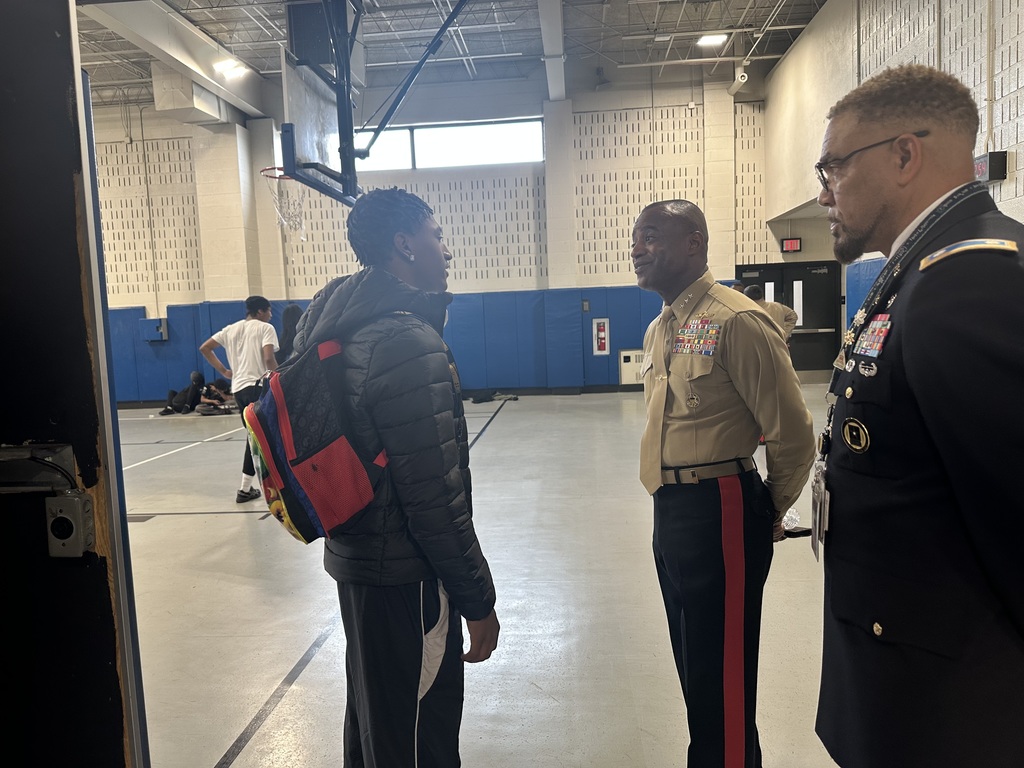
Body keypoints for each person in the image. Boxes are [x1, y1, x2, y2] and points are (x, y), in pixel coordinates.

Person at [813, 64, 1024, 768]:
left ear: (904, 155)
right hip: (909, 681)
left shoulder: (969, 280)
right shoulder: (920, 272)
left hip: (951, 707)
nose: (824, 194)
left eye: (835, 167)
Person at [290, 187, 499, 767]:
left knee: (375, 724)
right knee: (418, 739)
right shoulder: (406, 340)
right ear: (404, 244)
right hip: (407, 576)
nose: (447, 249)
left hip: (355, 561)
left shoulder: (334, 322)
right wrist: (477, 600)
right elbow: (434, 500)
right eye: (436, 234)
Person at [632, 199, 815, 768]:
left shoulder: (736, 320)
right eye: (636, 238)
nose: (637, 248)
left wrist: (767, 512)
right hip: (673, 509)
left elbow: (792, 434)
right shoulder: (661, 329)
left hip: (723, 504)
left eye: (652, 235)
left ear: (694, 242)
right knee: (697, 666)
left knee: (725, 670)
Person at [199, 296, 278, 503]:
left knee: (256, 436)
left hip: (239, 390)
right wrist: (281, 379)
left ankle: (248, 487)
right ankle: (247, 488)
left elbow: (205, 348)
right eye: (269, 311)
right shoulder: (265, 329)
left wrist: (224, 370)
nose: (270, 315)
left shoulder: (230, 329)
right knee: (259, 437)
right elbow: (269, 359)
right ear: (260, 312)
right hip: (258, 387)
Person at [158, 372, 231, 415]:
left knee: (198, 407)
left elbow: (228, 398)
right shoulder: (206, 387)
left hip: (188, 405)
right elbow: (202, 399)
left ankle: (173, 407)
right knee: (171, 392)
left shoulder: (223, 390)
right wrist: (212, 401)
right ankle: (170, 407)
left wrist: (219, 392)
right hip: (181, 404)